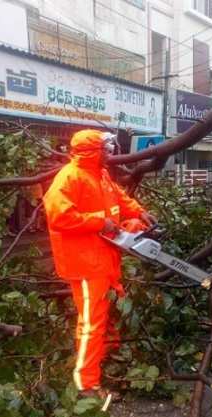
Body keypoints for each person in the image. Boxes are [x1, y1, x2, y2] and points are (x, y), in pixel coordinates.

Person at [43, 129, 156, 399]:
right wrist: (98, 221)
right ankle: (86, 384)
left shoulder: (101, 175)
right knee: (91, 322)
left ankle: (111, 362)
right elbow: (59, 216)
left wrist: (139, 212)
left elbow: (119, 199)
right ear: (91, 151)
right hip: (84, 262)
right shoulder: (69, 178)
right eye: (105, 150)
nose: (110, 154)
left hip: (105, 257)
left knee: (111, 311)